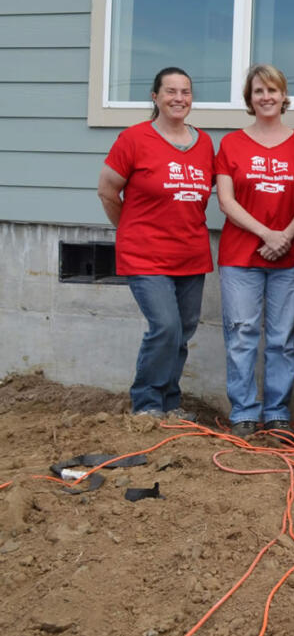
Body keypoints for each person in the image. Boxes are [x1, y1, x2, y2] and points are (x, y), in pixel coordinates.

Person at [97, 67, 213, 420]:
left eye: (186, 92)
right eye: (171, 91)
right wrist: (129, 229)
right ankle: (146, 403)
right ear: (155, 96)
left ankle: (170, 402)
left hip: (191, 253)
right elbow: (107, 190)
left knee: (181, 332)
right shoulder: (134, 139)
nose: (179, 98)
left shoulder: (204, 143)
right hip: (145, 254)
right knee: (164, 326)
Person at [214, 65, 294, 439]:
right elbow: (225, 200)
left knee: (283, 339)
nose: (266, 97)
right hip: (240, 256)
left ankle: (277, 412)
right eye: (258, 91)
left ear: (284, 96)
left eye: (273, 90)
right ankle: (243, 412)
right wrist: (267, 233)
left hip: (291, 254)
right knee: (242, 335)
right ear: (249, 99)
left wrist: (285, 235)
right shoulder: (232, 144)